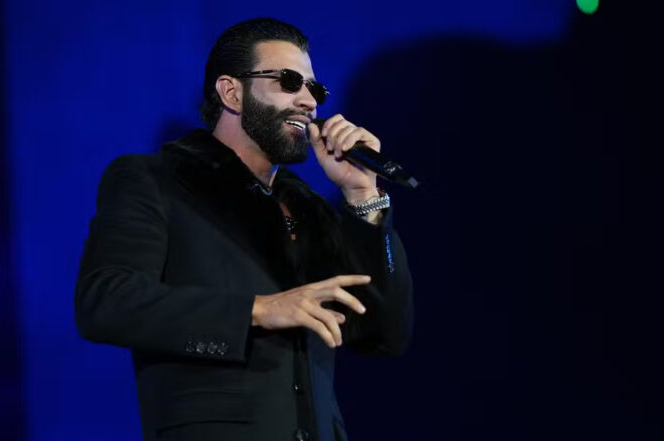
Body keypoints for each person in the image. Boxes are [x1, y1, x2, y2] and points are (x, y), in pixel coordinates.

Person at [75, 17, 413, 441]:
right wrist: (258, 309)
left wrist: (363, 195)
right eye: (289, 81)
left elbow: (386, 334)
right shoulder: (155, 181)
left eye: (315, 89)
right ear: (231, 92)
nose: (309, 101)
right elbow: (105, 302)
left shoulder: (308, 210)